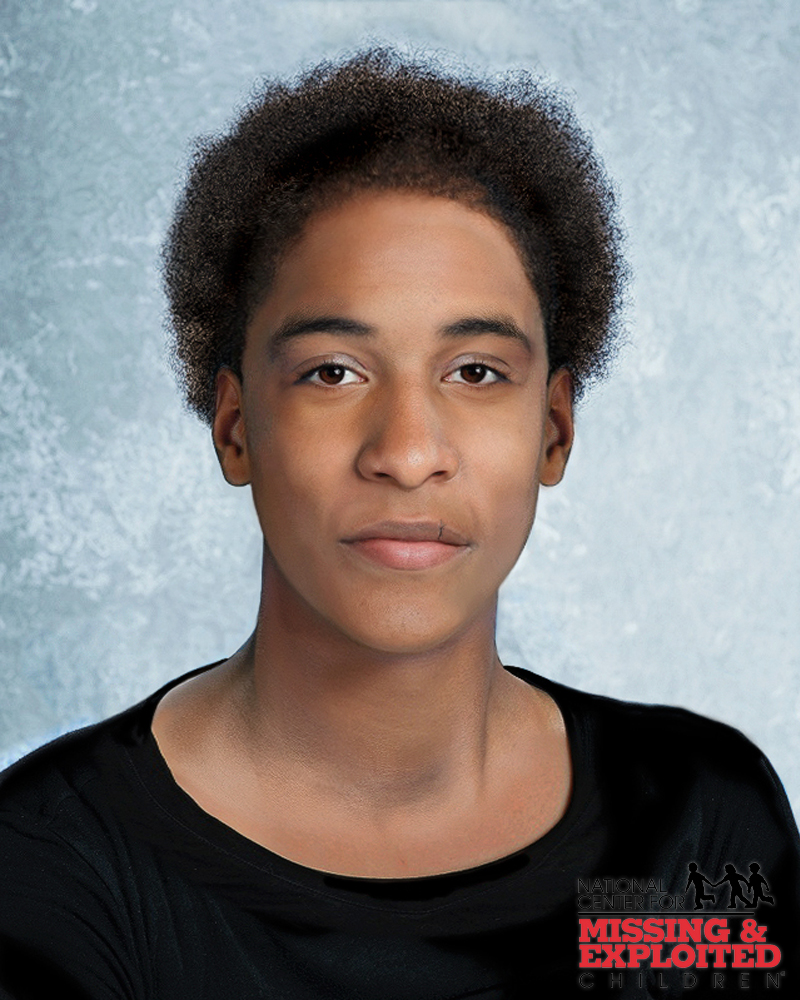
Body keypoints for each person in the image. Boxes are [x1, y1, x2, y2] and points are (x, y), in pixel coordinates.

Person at [1, 48, 798, 999]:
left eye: (476, 372)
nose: (409, 452)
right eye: (333, 372)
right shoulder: (53, 862)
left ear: (554, 430)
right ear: (235, 427)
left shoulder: (695, 831)